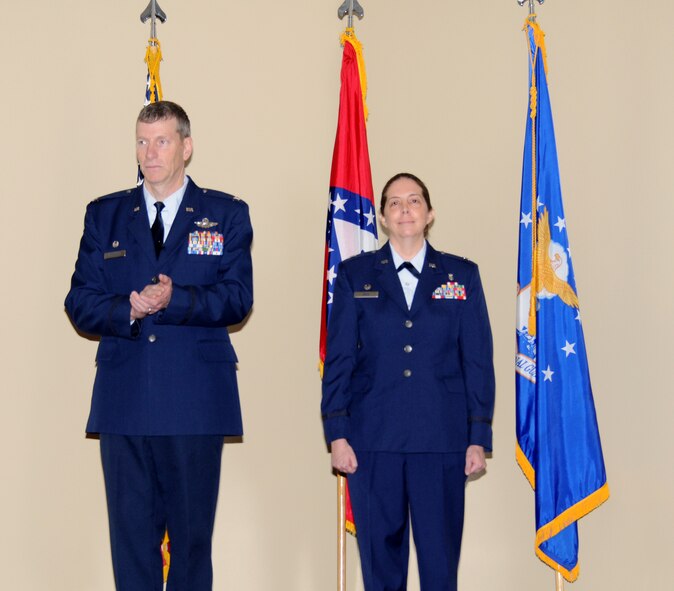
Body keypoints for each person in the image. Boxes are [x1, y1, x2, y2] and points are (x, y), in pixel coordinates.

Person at [65, 101, 253, 591]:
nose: (150, 152)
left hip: (194, 404)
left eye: (162, 141)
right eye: (142, 142)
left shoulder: (225, 214)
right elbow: (79, 300)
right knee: (130, 548)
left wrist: (176, 299)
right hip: (124, 404)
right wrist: (126, 310)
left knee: (191, 549)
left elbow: (237, 298)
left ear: (186, 147)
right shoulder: (104, 215)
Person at [321, 172, 495, 591]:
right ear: (382, 217)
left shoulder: (461, 276)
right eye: (394, 203)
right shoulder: (354, 275)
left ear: (430, 213)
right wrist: (338, 433)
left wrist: (478, 435)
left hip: (442, 439)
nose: (404, 210)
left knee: (439, 566)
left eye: (414, 201)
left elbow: (477, 360)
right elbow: (340, 359)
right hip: (373, 438)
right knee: (381, 567)